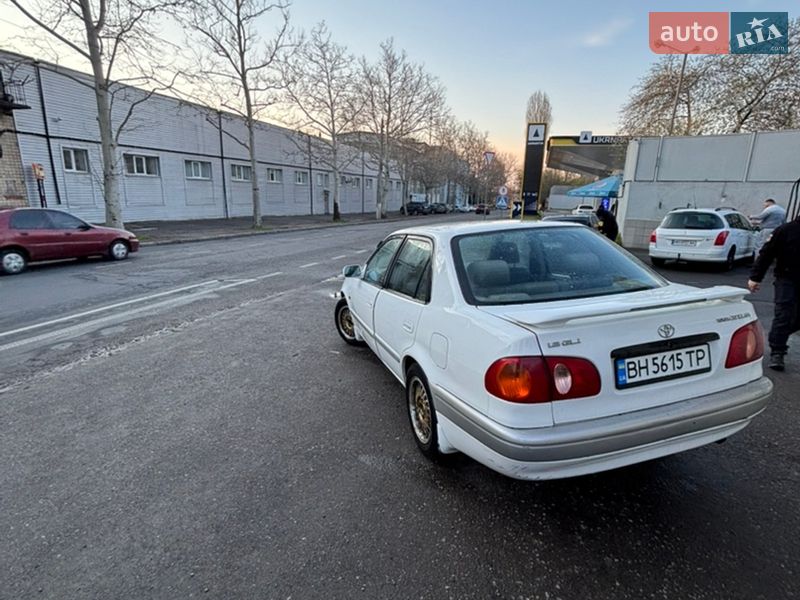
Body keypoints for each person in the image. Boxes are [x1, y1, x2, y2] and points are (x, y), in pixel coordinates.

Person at [747, 214, 800, 371]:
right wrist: (755, 277)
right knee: (784, 314)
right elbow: (767, 253)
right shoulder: (786, 230)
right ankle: (777, 352)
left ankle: (778, 334)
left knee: (796, 319)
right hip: (787, 278)